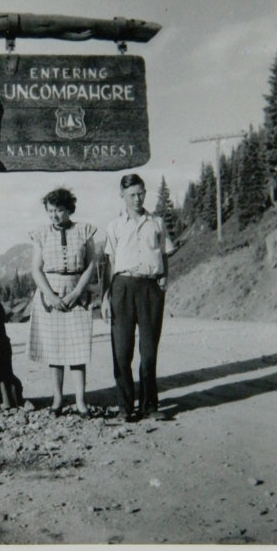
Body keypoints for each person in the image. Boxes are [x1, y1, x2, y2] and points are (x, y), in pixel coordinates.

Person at [101, 174, 174, 422]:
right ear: (121, 196)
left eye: (141, 193)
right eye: (132, 194)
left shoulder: (157, 222)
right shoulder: (114, 226)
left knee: (149, 351)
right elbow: (110, 263)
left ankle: (149, 407)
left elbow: (164, 253)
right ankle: (124, 408)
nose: (137, 198)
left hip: (150, 288)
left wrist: (164, 277)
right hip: (122, 287)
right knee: (122, 351)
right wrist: (105, 298)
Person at [26, 188, 96, 417]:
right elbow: (36, 269)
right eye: (50, 211)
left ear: (69, 209)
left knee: (78, 351)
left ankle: (80, 401)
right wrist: (51, 296)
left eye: (59, 210)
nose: (54, 215)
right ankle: (57, 399)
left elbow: (90, 266)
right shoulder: (41, 234)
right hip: (50, 293)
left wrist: (76, 293)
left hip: (77, 293)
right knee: (54, 351)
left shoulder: (84, 231)